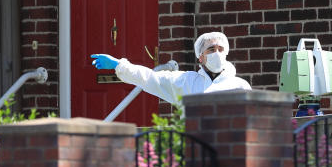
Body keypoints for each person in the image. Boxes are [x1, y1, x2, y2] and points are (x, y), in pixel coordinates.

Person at [90, 32, 251, 105]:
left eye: (220, 49)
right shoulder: (186, 82)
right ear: (200, 57)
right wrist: (119, 65)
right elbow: (150, 78)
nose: (217, 53)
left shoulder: (240, 86)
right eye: (211, 50)